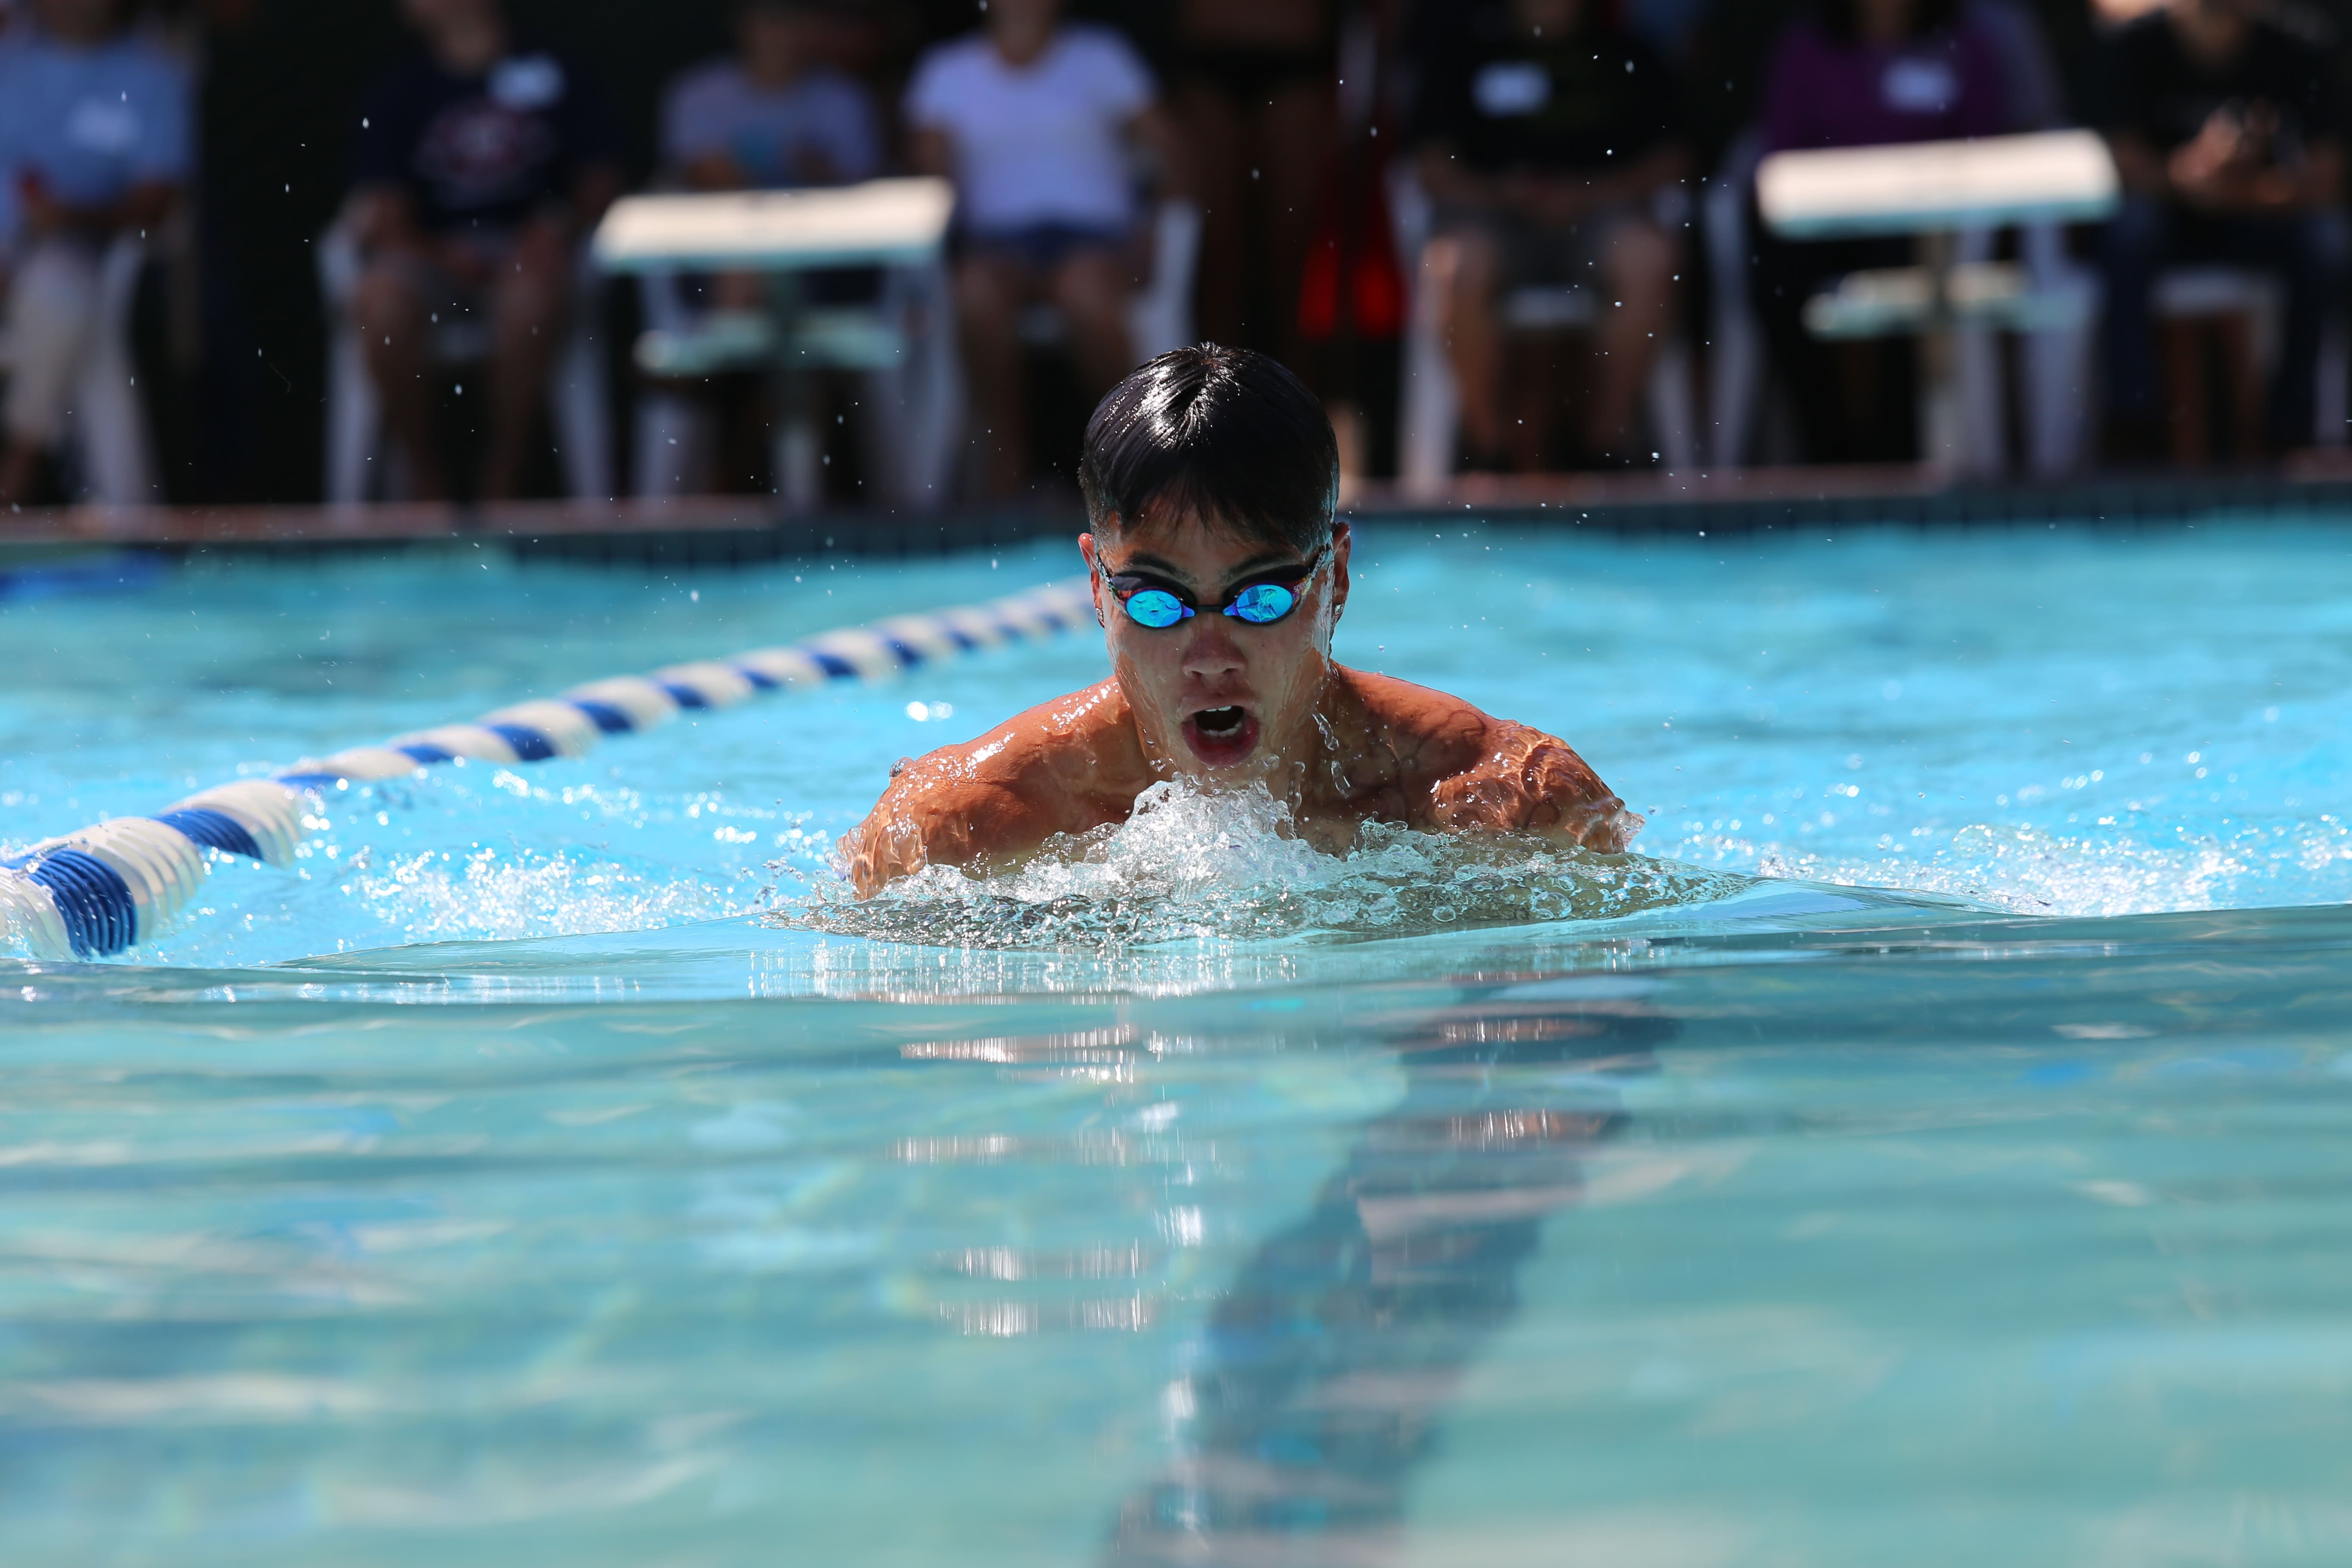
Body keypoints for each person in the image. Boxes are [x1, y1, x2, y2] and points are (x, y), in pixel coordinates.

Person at [843, 345, 1640, 896]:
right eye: (1157, 602)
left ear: (1335, 577)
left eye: (1259, 597)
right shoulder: (961, 825)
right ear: (1096, 586)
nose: (1209, 653)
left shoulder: (1506, 797)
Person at [905, 0, 1188, 498]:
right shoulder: (947, 71)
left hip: (1093, 236)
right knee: (974, 297)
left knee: (1086, 298)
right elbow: (929, 182)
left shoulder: (1102, 57)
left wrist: (1157, 230)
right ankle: (1004, 471)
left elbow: (1169, 150)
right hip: (997, 243)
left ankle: (1133, 461)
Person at [348, 0, 623, 502]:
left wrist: (555, 225)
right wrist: (441, 254)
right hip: (434, 254)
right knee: (377, 301)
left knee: (529, 295)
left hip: (530, 251)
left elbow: (600, 182)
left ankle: (502, 477)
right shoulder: (400, 89)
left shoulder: (556, 69)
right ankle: (423, 479)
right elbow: (381, 214)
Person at [1411, 0, 1688, 471]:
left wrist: (1589, 194)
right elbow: (1429, 168)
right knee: (1453, 267)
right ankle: (1490, 451)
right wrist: (1503, 194)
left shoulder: (1627, 52)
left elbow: (1674, 160)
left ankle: (1603, 450)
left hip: (1600, 216)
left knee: (1650, 259)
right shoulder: (1466, 51)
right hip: (1494, 220)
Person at [1751, 0, 2012, 463]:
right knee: (1777, 273)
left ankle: (1901, 450)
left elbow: (1987, 143)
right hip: (1827, 224)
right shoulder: (1809, 44)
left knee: (1908, 271)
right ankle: (1826, 448)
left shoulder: (1962, 44)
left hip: (1929, 224)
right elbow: (1782, 148)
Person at [2094, 0, 2346, 456]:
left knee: (2326, 240)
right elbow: (2126, 166)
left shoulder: (2297, 47)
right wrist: (2192, 175)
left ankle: (2292, 427)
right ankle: (2133, 424)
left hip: (2255, 219)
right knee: (2130, 230)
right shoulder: (2133, 46)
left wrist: (2238, 191)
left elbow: (2325, 180)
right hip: (2171, 223)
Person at [0, 0, 190, 508]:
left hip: (82, 258)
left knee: (59, 296)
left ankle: (19, 463)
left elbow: (159, 200)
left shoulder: (151, 75)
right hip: (13, 255)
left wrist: (69, 217)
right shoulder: (9, 66)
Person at [1176, 0, 1338, 371]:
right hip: (1208, 54)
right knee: (1216, 247)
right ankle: (1216, 393)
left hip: (1294, 55)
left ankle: (1301, 398)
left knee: (1294, 245)